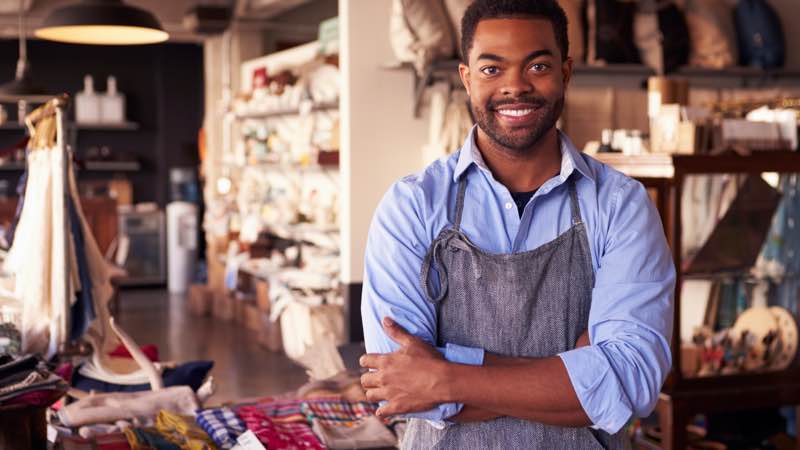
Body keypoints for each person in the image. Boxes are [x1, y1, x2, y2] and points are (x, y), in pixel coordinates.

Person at [359, 0, 675, 448]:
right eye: (492, 69)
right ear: (467, 78)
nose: (515, 87)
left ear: (565, 73)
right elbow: (397, 383)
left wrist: (444, 376)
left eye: (537, 66)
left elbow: (631, 378)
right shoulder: (411, 206)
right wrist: (577, 369)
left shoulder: (621, 205)